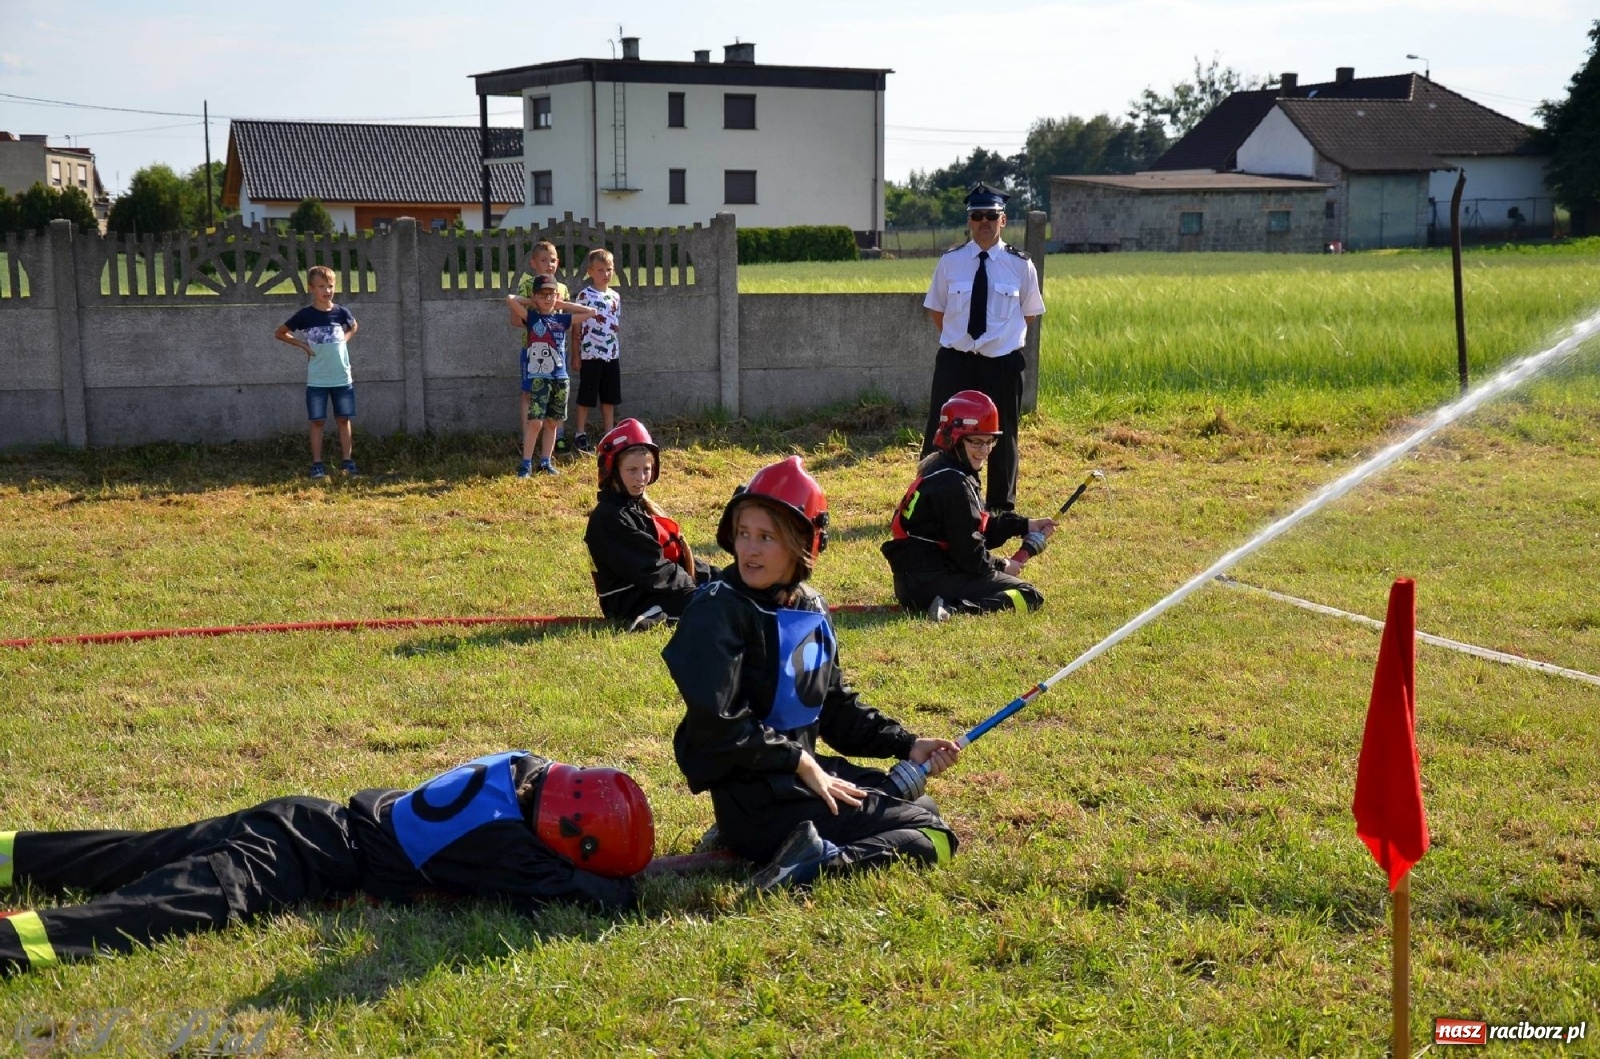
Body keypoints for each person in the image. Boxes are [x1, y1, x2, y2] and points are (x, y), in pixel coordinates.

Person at [0, 751, 653, 975]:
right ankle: (13, 942)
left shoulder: (519, 765)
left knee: (133, 852)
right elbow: (594, 896)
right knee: (165, 905)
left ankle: (9, 850)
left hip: (304, 815)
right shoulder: (511, 849)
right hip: (296, 858)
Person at [662, 456, 962, 892]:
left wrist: (908, 744)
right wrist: (800, 761)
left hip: (796, 779)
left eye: (767, 537)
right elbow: (717, 725)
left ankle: (801, 844)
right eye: (744, 534)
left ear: (804, 543)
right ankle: (806, 863)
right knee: (934, 836)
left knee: (925, 806)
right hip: (755, 799)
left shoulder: (810, 607)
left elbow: (834, 707)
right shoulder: (716, 610)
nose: (750, 549)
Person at [920, 182, 1045, 513]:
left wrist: (1000, 341)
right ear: (969, 221)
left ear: (1003, 220)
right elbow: (937, 309)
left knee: (1002, 435)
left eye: (992, 215)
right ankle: (933, 494)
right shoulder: (951, 262)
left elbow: (1029, 314)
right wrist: (962, 343)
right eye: (977, 216)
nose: (984, 222)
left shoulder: (1021, 265)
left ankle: (1001, 506)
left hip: (1002, 363)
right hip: (956, 361)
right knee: (942, 429)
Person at [884, 389, 1055, 621]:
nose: (984, 451)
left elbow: (976, 528)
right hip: (930, 584)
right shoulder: (953, 484)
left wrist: (1025, 525)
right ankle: (953, 610)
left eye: (990, 441)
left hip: (917, 581)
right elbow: (969, 555)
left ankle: (947, 603)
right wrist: (1004, 565)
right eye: (976, 442)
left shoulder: (948, 471)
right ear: (955, 439)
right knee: (1028, 595)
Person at [584, 419, 718, 631]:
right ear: (613, 471)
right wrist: (697, 589)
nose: (641, 478)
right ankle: (650, 617)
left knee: (725, 590)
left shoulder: (637, 509)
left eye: (646, 469)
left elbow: (675, 557)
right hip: (632, 602)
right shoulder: (609, 518)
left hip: (659, 589)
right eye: (632, 470)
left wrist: (719, 577)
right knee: (718, 607)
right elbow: (653, 569)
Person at [274, 265, 359, 479]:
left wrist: (344, 343)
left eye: (330, 286)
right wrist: (303, 346)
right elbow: (281, 333)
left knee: (343, 419)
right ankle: (317, 464)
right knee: (317, 421)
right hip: (317, 380)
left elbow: (354, 326)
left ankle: (348, 462)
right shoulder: (305, 315)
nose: (327, 290)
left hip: (342, 377)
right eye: (322, 286)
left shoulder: (341, 312)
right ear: (312, 288)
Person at [507, 276, 597, 477]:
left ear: (556, 296)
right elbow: (510, 299)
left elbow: (591, 312)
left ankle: (546, 462)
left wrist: (563, 304)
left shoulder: (562, 319)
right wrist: (532, 302)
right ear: (535, 296)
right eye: (542, 295)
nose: (547, 299)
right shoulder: (532, 318)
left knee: (552, 422)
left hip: (560, 378)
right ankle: (526, 464)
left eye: (551, 294)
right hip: (540, 378)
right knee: (536, 422)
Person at [511, 241, 571, 474]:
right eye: (544, 260)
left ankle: (548, 454)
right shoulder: (527, 285)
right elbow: (515, 319)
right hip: (531, 351)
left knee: (555, 402)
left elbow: (566, 319)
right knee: (529, 393)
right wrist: (536, 319)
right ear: (533, 263)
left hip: (556, 355)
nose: (549, 264)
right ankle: (527, 437)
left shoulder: (563, 288)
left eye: (553, 260)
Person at [572, 249, 623, 454]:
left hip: (611, 354)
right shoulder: (584, 295)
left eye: (609, 269)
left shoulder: (615, 296)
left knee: (609, 397)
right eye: (600, 270)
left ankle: (609, 433)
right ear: (590, 271)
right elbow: (576, 326)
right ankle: (580, 433)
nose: (605, 274)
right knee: (586, 395)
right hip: (590, 353)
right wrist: (575, 354)